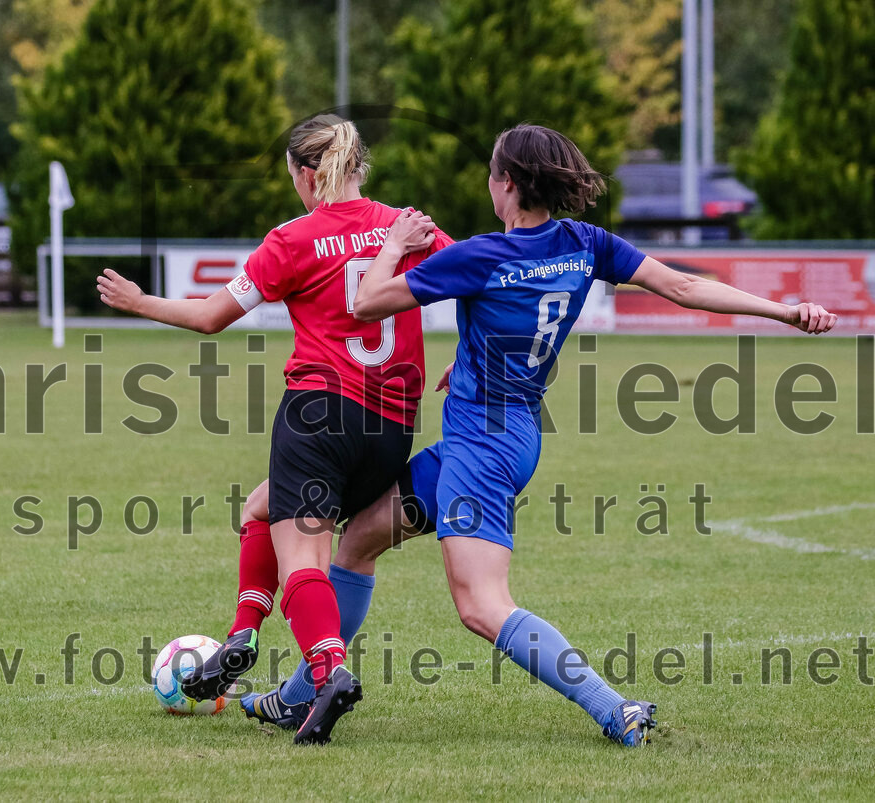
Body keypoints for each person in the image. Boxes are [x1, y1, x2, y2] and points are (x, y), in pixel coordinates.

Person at [245, 123, 837, 747]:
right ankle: (301, 694)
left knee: (480, 604)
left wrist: (392, 244)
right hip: (514, 429)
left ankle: (615, 708)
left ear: (507, 184)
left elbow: (367, 303)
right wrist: (785, 310)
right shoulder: (586, 243)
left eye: (492, 175)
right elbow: (687, 287)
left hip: (482, 450)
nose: (489, 185)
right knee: (359, 539)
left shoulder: (482, 256)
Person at [96, 114, 452, 744]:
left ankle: (328, 672)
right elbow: (482, 280)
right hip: (392, 424)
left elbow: (211, 317)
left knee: (304, 558)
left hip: (317, 416)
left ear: (306, 173)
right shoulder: (409, 226)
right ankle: (243, 633)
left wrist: (139, 302)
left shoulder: (293, 239)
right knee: (259, 512)